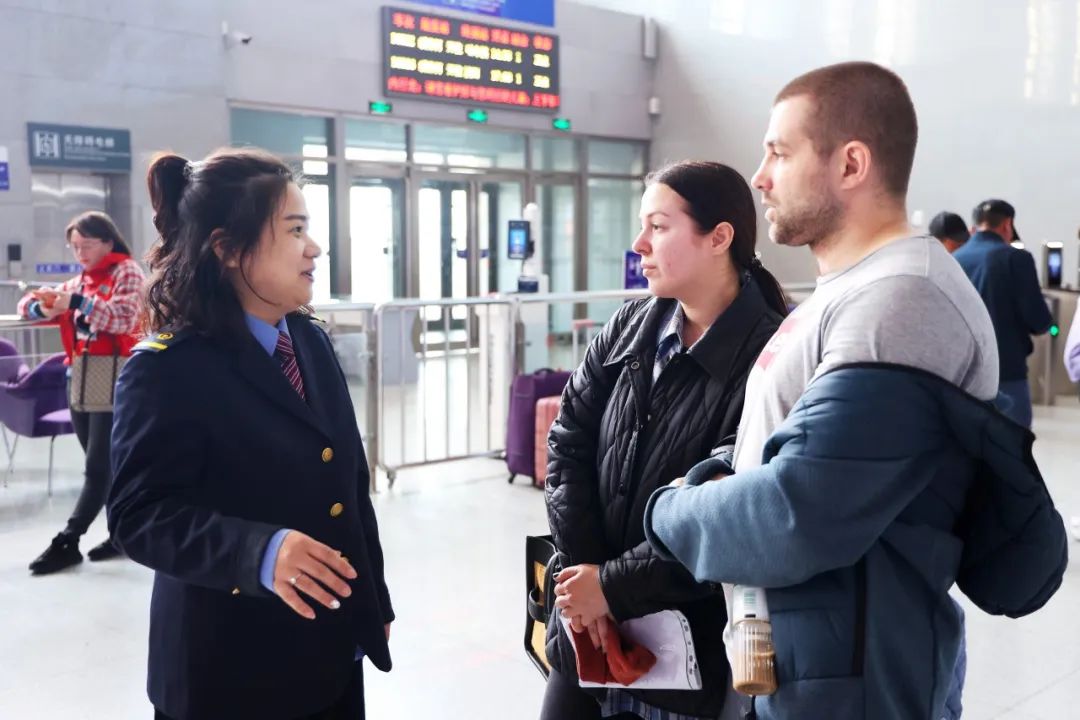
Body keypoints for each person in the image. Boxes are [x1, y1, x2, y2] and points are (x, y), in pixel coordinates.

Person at [642, 62, 1067, 720]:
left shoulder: (903, 301)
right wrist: (715, 477)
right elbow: (772, 441)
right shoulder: (848, 291)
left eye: (780, 153)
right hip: (807, 663)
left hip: (857, 685)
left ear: (851, 164)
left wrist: (667, 510)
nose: (760, 177)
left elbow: (798, 512)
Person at [107, 148, 393, 720]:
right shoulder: (169, 367)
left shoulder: (309, 342)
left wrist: (372, 601)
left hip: (330, 651)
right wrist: (259, 551)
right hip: (228, 670)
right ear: (228, 249)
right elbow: (140, 516)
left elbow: (348, 485)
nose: (314, 248)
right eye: (295, 230)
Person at [542, 161, 787, 720]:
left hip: (687, 650)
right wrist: (588, 583)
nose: (639, 245)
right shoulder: (628, 326)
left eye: (658, 226)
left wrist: (611, 586)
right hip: (584, 628)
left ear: (719, 238)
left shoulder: (770, 357)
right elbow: (567, 445)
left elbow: (730, 509)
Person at [17, 211, 145, 575]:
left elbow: (124, 317)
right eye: (74, 246)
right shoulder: (82, 280)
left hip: (115, 374)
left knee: (97, 467)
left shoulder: (126, 272)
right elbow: (28, 306)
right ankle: (122, 534)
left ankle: (68, 539)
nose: (80, 253)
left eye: (87, 245)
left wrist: (73, 303)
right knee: (102, 463)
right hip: (80, 375)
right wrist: (43, 304)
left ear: (108, 241)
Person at [952, 199, 1052, 427]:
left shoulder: (955, 258)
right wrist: (1047, 324)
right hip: (1006, 373)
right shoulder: (1016, 258)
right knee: (1012, 442)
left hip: (961, 377)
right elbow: (1037, 319)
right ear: (1007, 224)